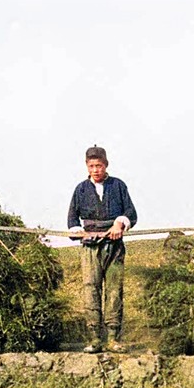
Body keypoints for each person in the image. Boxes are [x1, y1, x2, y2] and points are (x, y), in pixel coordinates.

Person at [68, 145, 138, 353]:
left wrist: (119, 224)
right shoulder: (80, 189)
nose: (96, 170)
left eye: (99, 165)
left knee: (114, 291)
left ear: (106, 165)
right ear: (87, 167)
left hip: (113, 246)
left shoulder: (118, 186)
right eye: (91, 166)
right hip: (90, 247)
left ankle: (113, 338)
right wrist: (78, 231)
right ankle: (95, 339)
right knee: (91, 290)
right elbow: (72, 217)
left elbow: (131, 213)